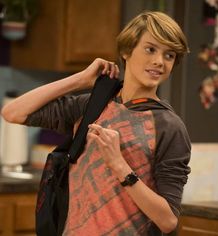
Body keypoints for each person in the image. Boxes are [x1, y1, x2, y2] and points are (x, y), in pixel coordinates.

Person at [1, 11, 191, 235]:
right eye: (150, 49)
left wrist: (119, 166)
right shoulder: (92, 106)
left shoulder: (170, 127)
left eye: (169, 55)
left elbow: (168, 221)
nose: (159, 61)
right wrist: (80, 80)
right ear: (126, 51)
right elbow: (13, 112)